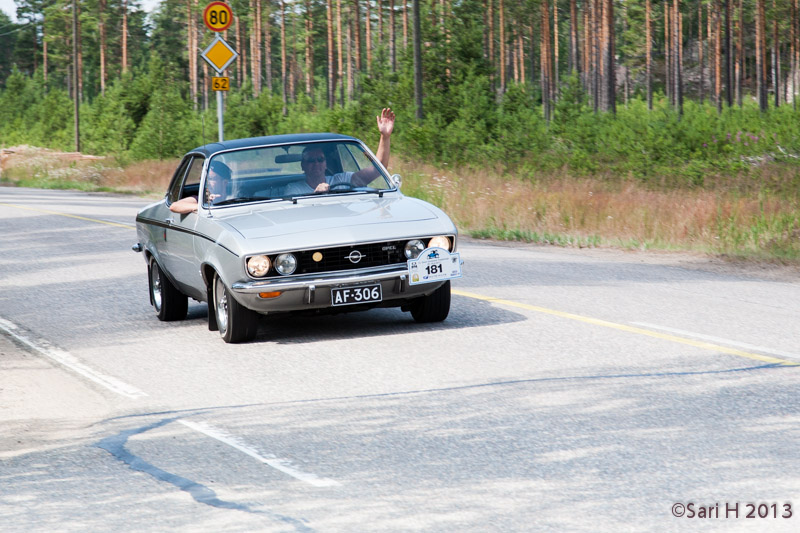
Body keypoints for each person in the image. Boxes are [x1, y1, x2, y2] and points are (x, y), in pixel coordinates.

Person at [284, 107, 395, 196]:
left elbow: (377, 169)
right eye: (311, 160)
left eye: (320, 159)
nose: (316, 163)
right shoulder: (293, 189)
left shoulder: (342, 179)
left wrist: (384, 137)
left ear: (325, 164)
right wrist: (316, 195)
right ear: (303, 165)